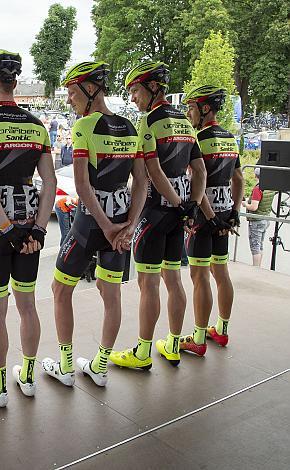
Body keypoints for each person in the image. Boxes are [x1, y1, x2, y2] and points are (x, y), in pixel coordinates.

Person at [43, 62, 148, 388]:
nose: (70, 100)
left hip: (91, 225)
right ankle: (100, 366)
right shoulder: (131, 127)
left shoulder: (84, 126)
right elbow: (141, 183)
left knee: (60, 289)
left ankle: (65, 366)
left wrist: (105, 227)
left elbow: (83, 186)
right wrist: (128, 226)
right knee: (110, 292)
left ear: (91, 91)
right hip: (120, 224)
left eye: (73, 93)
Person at [0, 49, 56, 406]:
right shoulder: (37, 126)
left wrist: (7, 227)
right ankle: (29, 377)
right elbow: (48, 182)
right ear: (15, 82)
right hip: (30, 231)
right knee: (28, 305)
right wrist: (36, 230)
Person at [110, 62, 207, 370]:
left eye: (136, 90)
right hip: (180, 215)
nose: (133, 98)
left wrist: (177, 202)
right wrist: (190, 204)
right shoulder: (186, 122)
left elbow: (152, 171)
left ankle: (142, 353)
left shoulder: (151, 120)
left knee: (148, 284)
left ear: (152, 88)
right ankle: (174, 345)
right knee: (174, 279)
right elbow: (200, 170)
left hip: (156, 212)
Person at [180, 86, 244, 354]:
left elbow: (197, 181)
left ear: (205, 109)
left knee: (199, 276)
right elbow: (239, 178)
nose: (188, 113)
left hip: (205, 218)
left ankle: (197, 338)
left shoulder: (198, 140)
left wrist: (208, 216)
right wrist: (234, 211)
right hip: (226, 213)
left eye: (192, 107)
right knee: (221, 272)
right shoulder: (230, 137)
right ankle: (223, 329)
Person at [242, 168, 274, 267]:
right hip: (265, 218)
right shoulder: (270, 187)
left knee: (255, 247)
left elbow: (254, 207)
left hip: (256, 221)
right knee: (260, 245)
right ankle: (259, 266)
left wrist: (245, 204)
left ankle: (256, 268)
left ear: (256, 176)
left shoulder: (258, 189)